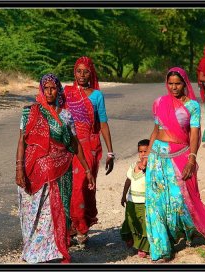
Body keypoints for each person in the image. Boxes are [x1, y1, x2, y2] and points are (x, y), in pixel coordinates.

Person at [143, 67, 205, 263]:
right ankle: (162, 249)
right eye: (170, 83)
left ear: (185, 83)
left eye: (177, 83)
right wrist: (146, 155)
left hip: (179, 155)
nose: (173, 87)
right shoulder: (160, 102)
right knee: (155, 204)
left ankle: (187, 231)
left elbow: (195, 133)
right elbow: (155, 130)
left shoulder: (193, 106)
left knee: (180, 201)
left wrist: (192, 158)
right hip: (156, 156)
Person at [15, 73, 95, 263]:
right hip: (33, 171)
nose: (50, 92)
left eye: (53, 88)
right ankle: (33, 251)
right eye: (46, 88)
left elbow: (75, 145)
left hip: (59, 172)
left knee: (54, 213)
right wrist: (19, 169)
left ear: (58, 90)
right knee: (32, 213)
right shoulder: (28, 113)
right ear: (41, 90)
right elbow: (21, 142)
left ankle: (53, 251)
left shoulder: (66, 116)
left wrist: (87, 169)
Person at [63, 56, 115, 245]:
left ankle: (80, 226)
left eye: (86, 71)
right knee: (68, 188)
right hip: (68, 146)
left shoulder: (96, 96)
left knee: (83, 187)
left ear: (91, 73)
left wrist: (110, 152)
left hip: (89, 147)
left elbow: (102, 123)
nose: (82, 75)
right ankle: (70, 228)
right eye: (79, 71)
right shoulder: (66, 93)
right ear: (74, 73)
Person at [120, 139, 150, 258]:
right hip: (132, 200)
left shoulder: (151, 168)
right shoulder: (133, 165)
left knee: (143, 225)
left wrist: (147, 168)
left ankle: (143, 247)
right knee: (131, 222)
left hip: (144, 202)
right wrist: (123, 195)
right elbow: (128, 181)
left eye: (145, 151)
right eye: (140, 151)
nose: (143, 154)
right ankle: (131, 239)